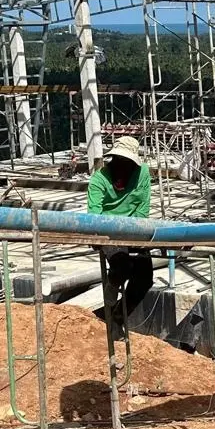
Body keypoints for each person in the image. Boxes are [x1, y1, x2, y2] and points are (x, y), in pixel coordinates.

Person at [87, 136, 153, 326]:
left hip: (134, 229)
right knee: (122, 265)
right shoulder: (99, 180)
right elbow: (94, 216)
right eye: (119, 162)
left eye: (128, 163)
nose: (123, 168)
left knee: (144, 277)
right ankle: (113, 283)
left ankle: (116, 319)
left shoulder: (142, 174)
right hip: (108, 231)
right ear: (112, 161)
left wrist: (132, 231)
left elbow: (143, 208)